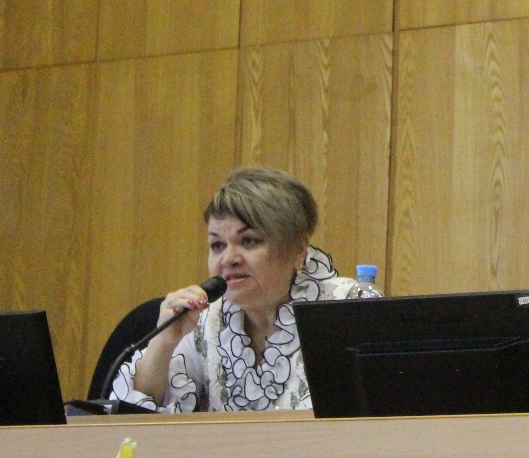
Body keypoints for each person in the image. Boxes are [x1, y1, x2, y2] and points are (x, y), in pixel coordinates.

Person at [113, 166, 361, 412]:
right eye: (217, 245)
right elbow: (131, 419)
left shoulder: (348, 310)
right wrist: (163, 343)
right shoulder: (205, 320)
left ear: (299, 248)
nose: (229, 259)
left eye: (248, 241)